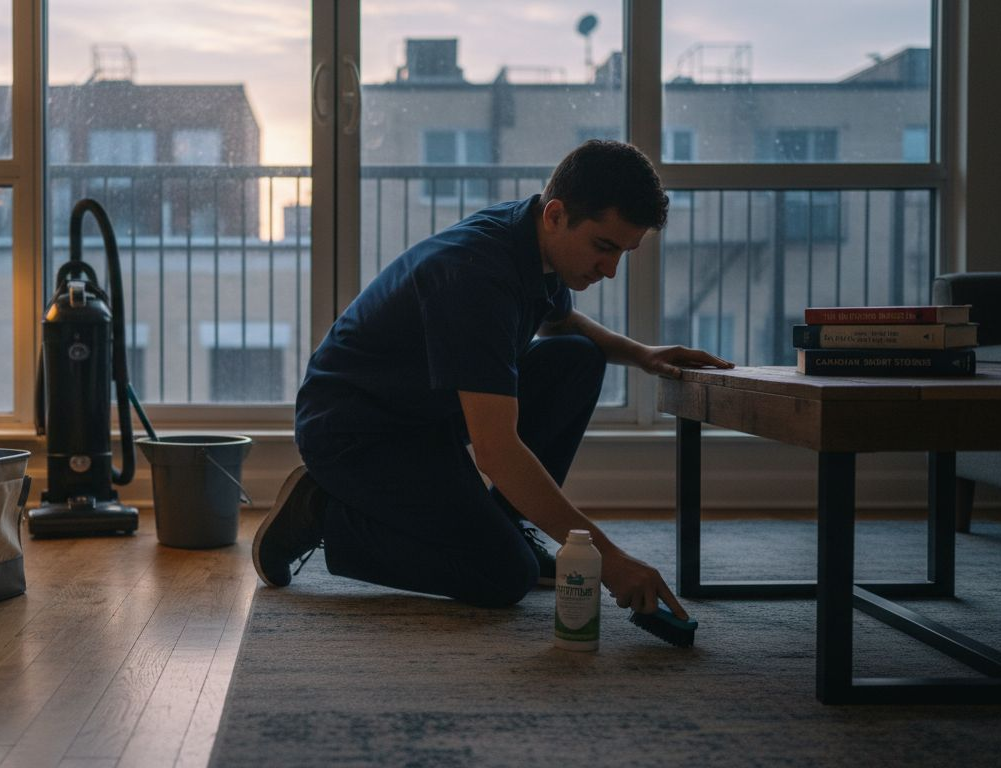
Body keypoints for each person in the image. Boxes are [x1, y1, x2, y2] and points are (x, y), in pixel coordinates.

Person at [252, 140, 733, 614]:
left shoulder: (530, 238)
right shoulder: (477, 277)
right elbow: (497, 453)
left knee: (579, 358)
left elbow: (560, 323)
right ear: (556, 215)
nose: (609, 270)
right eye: (604, 247)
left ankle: (505, 526)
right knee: (504, 576)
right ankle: (319, 511)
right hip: (357, 435)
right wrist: (611, 561)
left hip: (424, 415)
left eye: (624, 253)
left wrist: (642, 355)